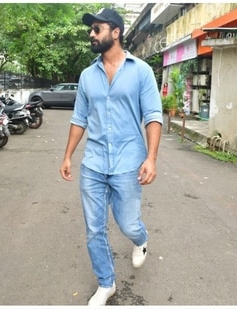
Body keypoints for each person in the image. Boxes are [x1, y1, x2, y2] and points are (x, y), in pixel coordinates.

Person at [59, 8, 163, 306]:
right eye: (90, 30)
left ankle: (140, 239)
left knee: (127, 223)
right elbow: (79, 119)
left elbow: (153, 116)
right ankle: (107, 284)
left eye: (97, 29)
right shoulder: (87, 75)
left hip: (129, 162)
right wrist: (68, 156)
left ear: (115, 32)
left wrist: (151, 158)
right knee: (94, 229)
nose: (91, 34)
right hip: (93, 163)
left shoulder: (141, 71)